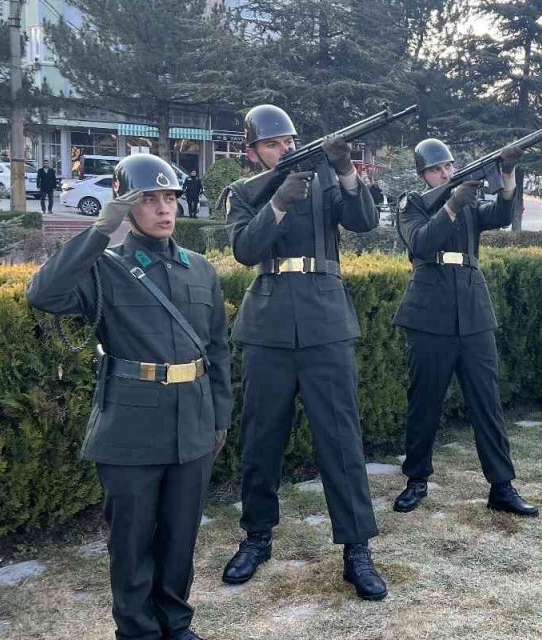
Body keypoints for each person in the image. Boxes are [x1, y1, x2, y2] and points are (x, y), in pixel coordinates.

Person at [27, 154, 231, 640]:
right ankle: (137, 631)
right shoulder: (106, 269)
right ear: (126, 206)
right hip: (131, 429)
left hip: (193, 423)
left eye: (170, 199)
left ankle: (176, 624)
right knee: (132, 541)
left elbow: (219, 350)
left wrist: (220, 417)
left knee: (181, 537)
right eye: (148, 200)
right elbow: (43, 294)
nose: (164, 210)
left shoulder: (199, 270)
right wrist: (100, 232)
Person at [221, 104, 386, 601]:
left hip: (324, 319)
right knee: (260, 438)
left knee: (341, 437)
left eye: (288, 141)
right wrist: (277, 205)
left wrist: (343, 168)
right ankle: (257, 536)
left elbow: (365, 222)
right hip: (268, 322)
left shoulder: (325, 180)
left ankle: (357, 548)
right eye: (272, 143)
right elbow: (246, 251)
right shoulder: (243, 195)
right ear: (252, 153)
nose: (284, 148)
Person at [391, 137, 539, 517]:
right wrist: (453, 204)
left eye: (450, 167)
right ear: (424, 175)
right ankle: (416, 479)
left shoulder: (469, 203)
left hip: (473, 312)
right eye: (438, 169)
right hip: (429, 313)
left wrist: (507, 172)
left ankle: (502, 485)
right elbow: (422, 243)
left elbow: (504, 213)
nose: (446, 173)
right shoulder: (412, 206)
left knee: (487, 403)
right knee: (424, 401)